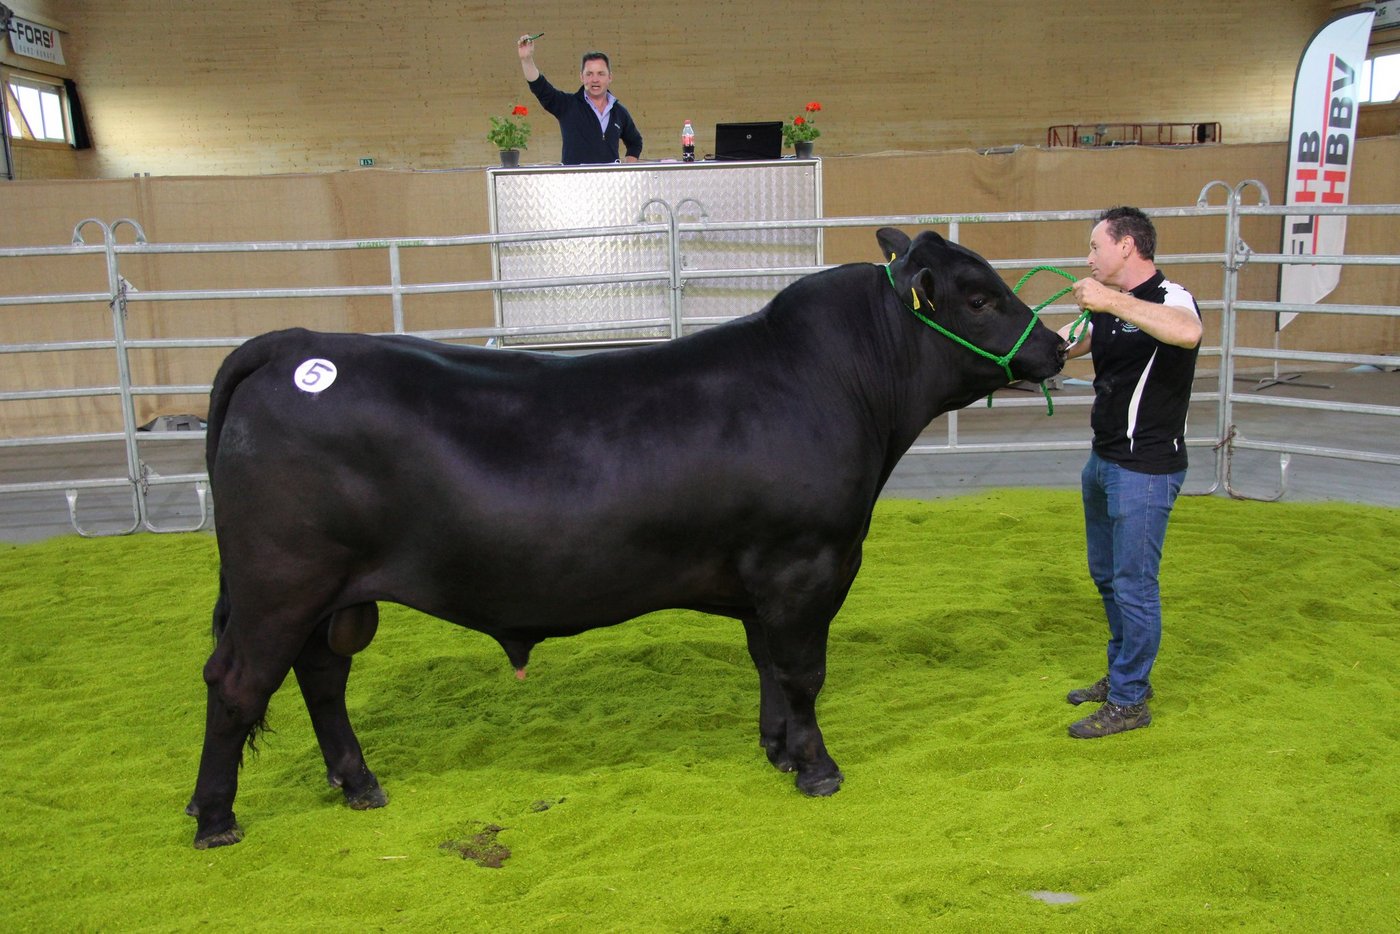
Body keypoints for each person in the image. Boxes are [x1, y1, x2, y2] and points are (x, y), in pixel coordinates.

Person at [1060, 206, 1203, 739]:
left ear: (1127, 247)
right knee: (1106, 577)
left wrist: (1110, 300)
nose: (1088, 257)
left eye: (1096, 246)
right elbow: (1065, 346)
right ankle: (1123, 671)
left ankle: (1129, 700)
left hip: (1147, 469)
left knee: (1135, 585)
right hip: (1103, 462)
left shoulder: (1172, 297)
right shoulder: (1103, 305)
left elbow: (1187, 334)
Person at [516, 36, 643, 165]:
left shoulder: (619, 112)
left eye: (600, 74)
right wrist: (527, 60)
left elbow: (635, 142)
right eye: (589, 74)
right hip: (575, 183)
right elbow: (540, 88)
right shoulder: (568, 105)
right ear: (581, 77)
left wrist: (627, 171)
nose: (595, 79)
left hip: (609, 183)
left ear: (610, 77)